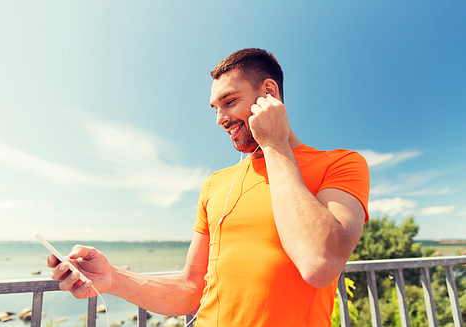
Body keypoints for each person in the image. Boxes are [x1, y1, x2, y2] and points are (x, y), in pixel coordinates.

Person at [48, 48, 370, 326]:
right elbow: (191, 288)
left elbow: (319, 263)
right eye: (215, 108)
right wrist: (113, 278)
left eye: (229, 102)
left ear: (269, 94)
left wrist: (274, 146)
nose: (220, 119)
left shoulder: (341, 164)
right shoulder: (216, 184)